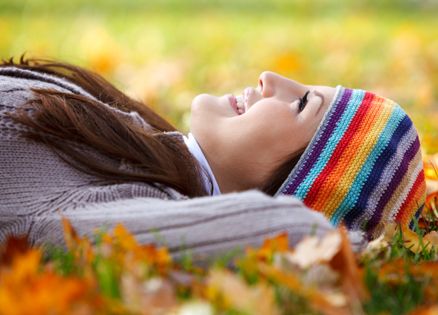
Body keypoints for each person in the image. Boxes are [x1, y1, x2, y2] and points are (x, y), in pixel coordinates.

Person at [0, 57, 425, 259]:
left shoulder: (119, 203)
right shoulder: (137, 142)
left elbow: (293, 232)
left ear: (300, 185)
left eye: (301, 105)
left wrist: (340, 243)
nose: (269, 78)